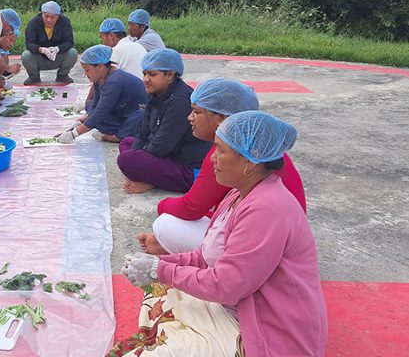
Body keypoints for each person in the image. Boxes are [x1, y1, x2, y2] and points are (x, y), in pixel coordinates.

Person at [119, 111, 327, 357]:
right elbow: (207, 256)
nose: (213, 159)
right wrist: (159, 263)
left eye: (220, 151)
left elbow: (227, 285)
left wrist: (160, 270)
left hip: (267, 329)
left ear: (250, 162)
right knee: (160, 291)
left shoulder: (267, 209)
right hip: (238, 304)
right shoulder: (239, 193)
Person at [138, 78, 307, 255]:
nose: (189, 117)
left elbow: (191, 209)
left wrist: (162, 205)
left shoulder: (232, 156)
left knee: (165, 224)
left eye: (196, 112)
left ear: (221, 118)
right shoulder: (256, 146)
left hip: (269, 246)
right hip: (278, 235)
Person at [118, 48, 211, 194]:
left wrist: (139, 162)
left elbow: (161, 147)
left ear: (169, 75)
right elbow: (143, 133)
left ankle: (152, 180)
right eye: (144, 74)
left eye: (152, 74)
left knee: (127, 159)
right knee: (126, 143)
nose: (146, 79)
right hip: (170, 153)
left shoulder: (180, 101)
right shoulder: (155, 93)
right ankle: (149, 176)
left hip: (187, 165)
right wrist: (139, 159)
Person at [55, 45, 146, 144]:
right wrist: (83, 120)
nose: (86, 74)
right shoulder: (99, 78)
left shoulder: (114, 81)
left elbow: (101, 112)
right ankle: (121, 131)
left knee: (99, 118)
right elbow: (95, 103)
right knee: (90, 108)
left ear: (100, 66)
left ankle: (115, 137)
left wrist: (74, 134)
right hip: (122, 113)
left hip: (137, 115)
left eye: (87, 70)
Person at [21, 1, 78, 85]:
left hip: (57, 56)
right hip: (39, 57)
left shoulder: (65, 22)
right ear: (42, 14)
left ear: (58, 17)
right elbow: (29, 43)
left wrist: (57, 49)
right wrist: (42, 50)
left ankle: (62, 76)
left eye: (52, 17)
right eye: (46, 16)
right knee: (26, 55)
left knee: (73, 53)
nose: (49, 20)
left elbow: (69, 41)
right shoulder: (33, 23)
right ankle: (34, 77)